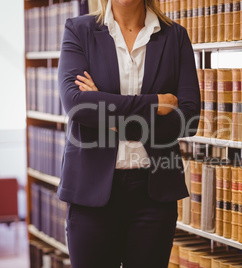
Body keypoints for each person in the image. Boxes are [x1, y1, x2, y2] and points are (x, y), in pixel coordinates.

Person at [57, 0, 200, 266]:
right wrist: (156, 103)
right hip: (91, 194)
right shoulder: (80, 30)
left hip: (153, 194)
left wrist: (112, 116)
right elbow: (76, 105)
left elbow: (188, 119)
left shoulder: (174, 36)